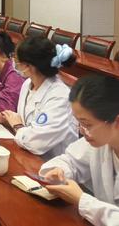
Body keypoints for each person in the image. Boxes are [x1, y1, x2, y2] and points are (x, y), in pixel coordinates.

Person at [39, 74, 119, 226]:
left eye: (87, 124)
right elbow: (69, 161)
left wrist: (82, 200)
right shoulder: (102, 141)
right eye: (79, 123)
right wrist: (60, 171)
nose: (82, 131)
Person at [0, 37, 78, 160]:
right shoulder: (28, 84)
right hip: (27, 154)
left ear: (29, 66)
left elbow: (36, 143)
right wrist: (5, 120)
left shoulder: (60, 96)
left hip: (51, 162)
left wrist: (16, 125)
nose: (14, 63)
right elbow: (27, 126)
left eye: (17, 61)